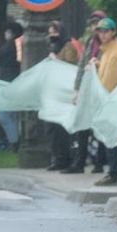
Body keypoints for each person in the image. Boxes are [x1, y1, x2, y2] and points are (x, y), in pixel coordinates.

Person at [62, 10, 106, 174]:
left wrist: (96, 64)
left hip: (100, 89)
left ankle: (100, 163)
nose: (95, 27)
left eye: (98, 23)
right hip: (86, 89)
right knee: (82, 126)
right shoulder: (90, 42)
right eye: (93, 24)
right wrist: (77, 89)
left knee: (99, 128)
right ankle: (79, 162)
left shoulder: (107, 43)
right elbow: (81, 65)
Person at [90, 17, 117, 186]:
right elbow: (105, 73)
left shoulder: (116, 52)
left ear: (113, 32)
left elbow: (110, 82)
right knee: (109, 138)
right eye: (100, 31)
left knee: (112, 138)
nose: (102, 34)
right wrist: (97, 64)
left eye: (106, 31)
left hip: (111, 101)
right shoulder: (107, 51)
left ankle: (113, 174)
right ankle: (112, 173)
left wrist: (102, 103)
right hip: (108, 100)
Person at [46, 21, 81, 171]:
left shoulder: (69, 46)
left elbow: (71, 66)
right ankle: (57, 159)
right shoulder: (53, 47)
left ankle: (66, 159)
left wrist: (56, 60)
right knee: (53, 129)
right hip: (54, 92)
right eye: (50, 32)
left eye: (55, 32)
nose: (52, 36)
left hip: (65, 93)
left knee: (63, 130)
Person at [0, 20, 23, 151]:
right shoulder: (16, 45)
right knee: (11, 115)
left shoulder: (11, 46)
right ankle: (14, 141)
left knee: (4, 115)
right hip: (9, 82)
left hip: (7, 82)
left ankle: (14, 142)